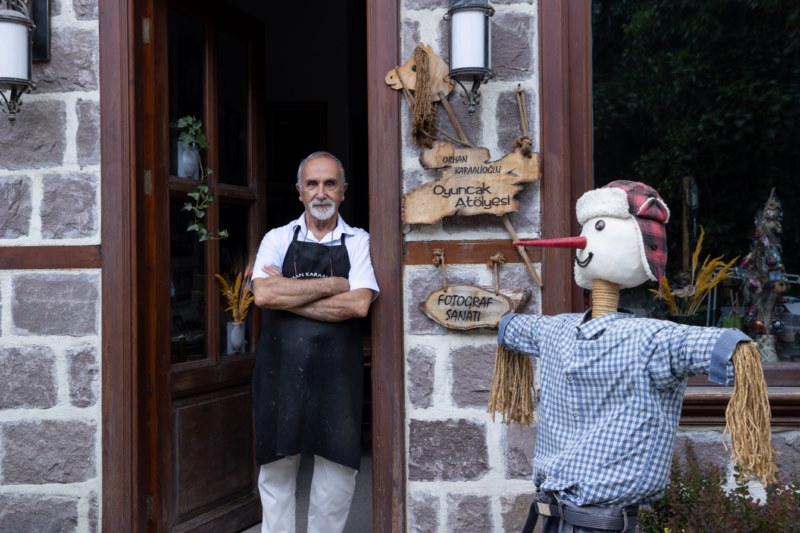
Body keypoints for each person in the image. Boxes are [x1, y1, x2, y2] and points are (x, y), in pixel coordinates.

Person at [491, 181, 772, 532]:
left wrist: (741, 351)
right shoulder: (556, 331)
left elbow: (729, 348)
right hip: (549, 519)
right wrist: (501, 312)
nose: (583, 241)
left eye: (598, 229)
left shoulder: (650, 341)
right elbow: (514, 329)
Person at [251, 151, 379, 533]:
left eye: (329, 184)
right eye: (312, 184)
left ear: (343, 191)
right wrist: (333, 284)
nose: (320, 192)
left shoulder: (359, 240)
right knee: (275, 474)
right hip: (280, 370)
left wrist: (289, 293)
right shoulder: (277, 238)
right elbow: (263, 297)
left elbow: (358, 304)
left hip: (336, 375)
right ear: (299, 192)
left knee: (336, 476)